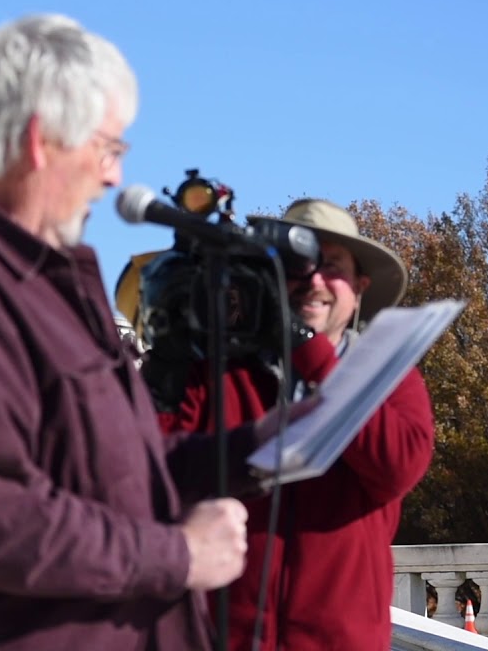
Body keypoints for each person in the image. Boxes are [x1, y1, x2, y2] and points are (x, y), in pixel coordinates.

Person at [0, 13, 309, 651]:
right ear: (41, 141)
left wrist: (261, 447)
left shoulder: (46, 279)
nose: (115, 176)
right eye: (108, 148)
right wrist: (179, 554)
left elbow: (114, 468)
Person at [156, 198, 436, 651]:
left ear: (360, 286)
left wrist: (310, 353)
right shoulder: (216, 372)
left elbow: (398, 468)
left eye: (332, 266)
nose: (314, 280)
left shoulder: (391, 376)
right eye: (297, 265)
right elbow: (149, 474)